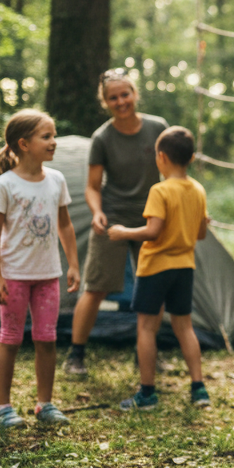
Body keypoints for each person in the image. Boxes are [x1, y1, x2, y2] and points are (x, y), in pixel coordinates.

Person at [64, 68, 168, 377]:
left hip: (153, 218)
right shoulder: (102, 137)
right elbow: (93, 187)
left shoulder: (157, 128)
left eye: (125, 94)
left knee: (153, 287)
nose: (121, 101)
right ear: (105, 102)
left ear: (135, 94)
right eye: (113, 97)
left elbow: (172, 171)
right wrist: (97, 212)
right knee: (95, 287)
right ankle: (76, 354)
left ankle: (147, 353)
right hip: (113, 221)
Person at [0, 109, 80, 428]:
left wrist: (73, 264)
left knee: (47, 339)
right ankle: (2, 408)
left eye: (53, 136)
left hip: (47, 276)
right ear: (24, 144)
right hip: (13, 277)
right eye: (47, 136)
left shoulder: (57, 180)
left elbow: (65, 226)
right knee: (10, 338)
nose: (54, 142)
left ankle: (45, 404)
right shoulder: (6, 185)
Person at [109, 126, 210, 410]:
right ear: (190, 158)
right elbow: (200, 234)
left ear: (161, 157)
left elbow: (153, 232)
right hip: (184, 268)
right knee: (184, 327)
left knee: (146, 328)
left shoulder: (160, 190)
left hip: (155, 268)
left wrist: (123, 232)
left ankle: (147, 394)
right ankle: (199, 389)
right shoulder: (198, 190)